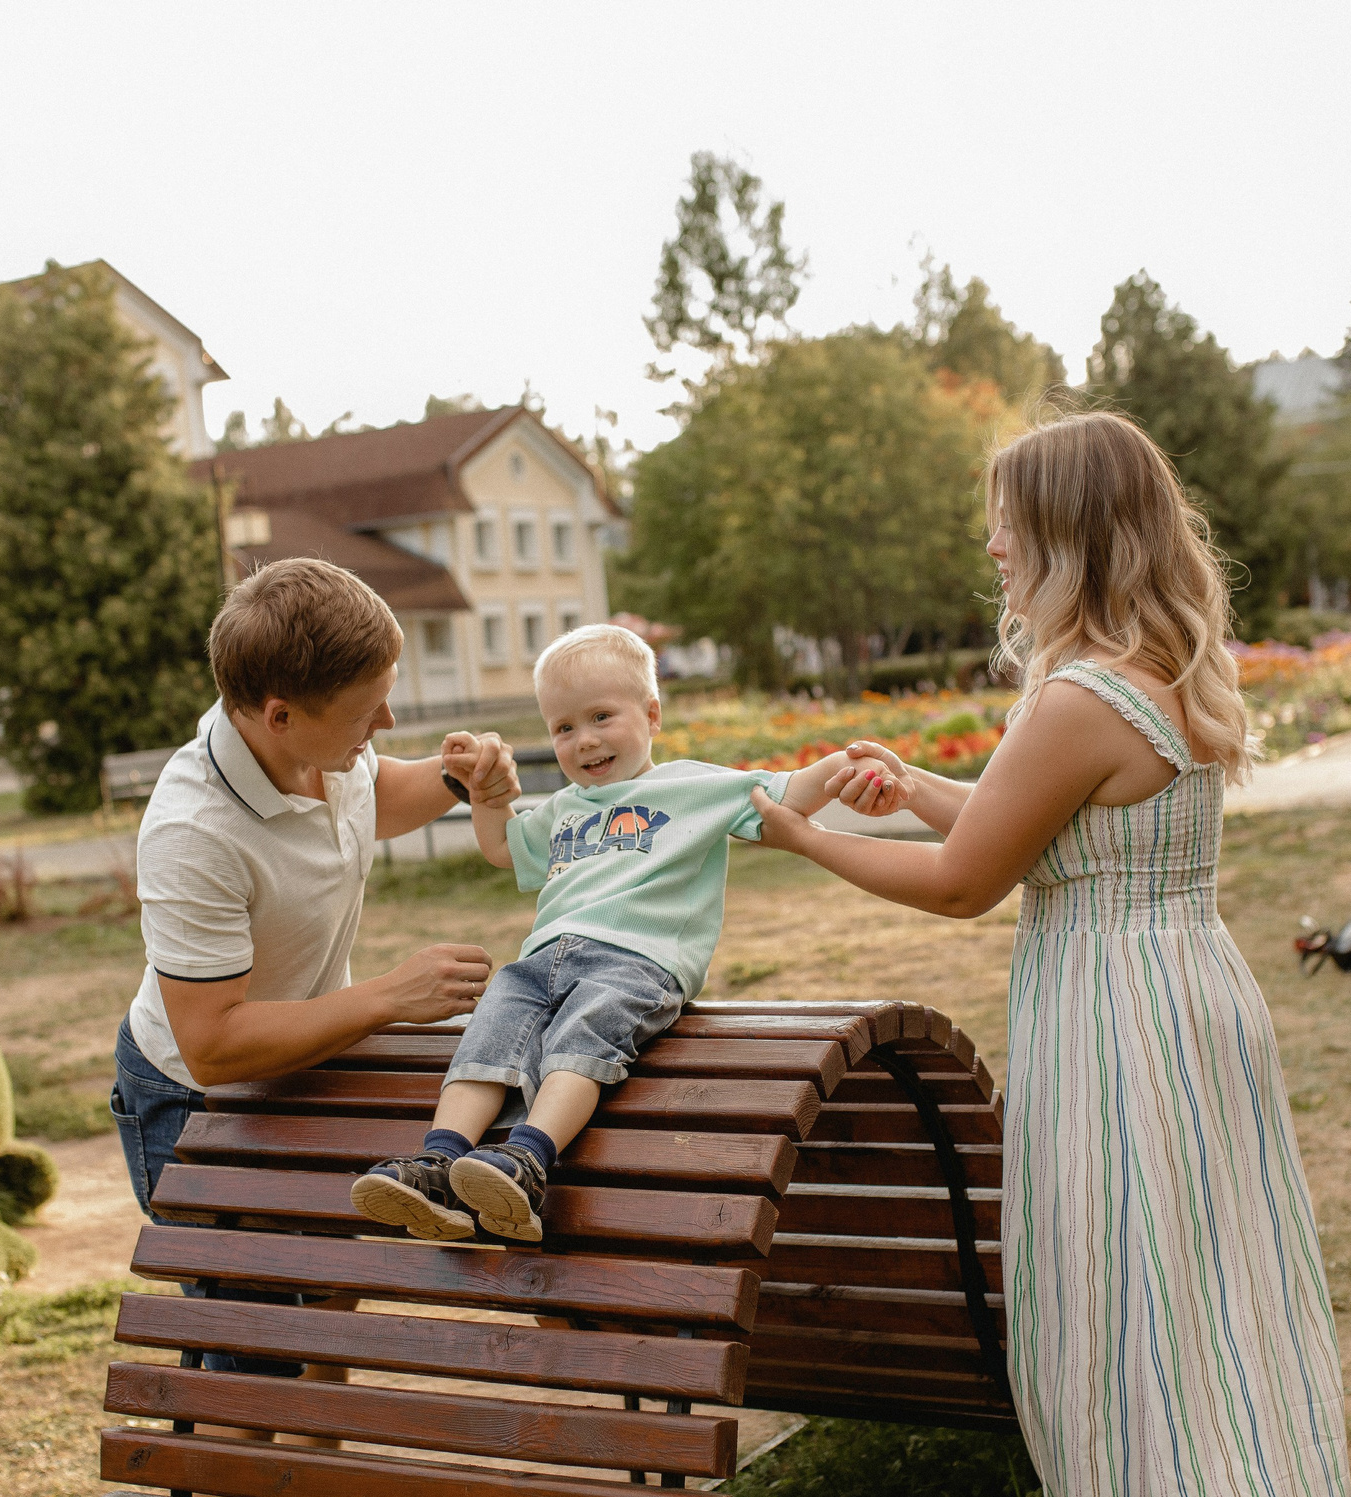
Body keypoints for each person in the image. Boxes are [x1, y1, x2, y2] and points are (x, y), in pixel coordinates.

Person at [751, 412, 1351, 1497]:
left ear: (1071, 530)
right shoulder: (1151, 664)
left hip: (1124, 1024)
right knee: (1130, 1311)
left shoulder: (1085, 693)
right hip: (1165, 998)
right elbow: (1041, 825)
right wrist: (916, 785)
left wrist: (802, 839)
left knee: (1152, 1322)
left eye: (1010, 517)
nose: (993, 540)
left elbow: (972, 881)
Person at [111, 556, 517, 1395]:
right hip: (194, 1100)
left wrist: (455, 776)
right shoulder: (195, 832)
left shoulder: (318, 751)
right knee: (257, 1350)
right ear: (279, 714)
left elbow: (377, 796)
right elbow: (214, 1042)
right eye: (370, 711)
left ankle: (319, 1494)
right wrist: (386, 999)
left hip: (306, 1067)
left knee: (328, 1301)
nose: (390, 719)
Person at [349, 623, 885, 1243]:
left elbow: (782, 793)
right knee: (492, 1028)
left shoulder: (688, 785)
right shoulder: (565, 807)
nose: (584, 740)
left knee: (585, 1031)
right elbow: (502, 847)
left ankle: (527, 1159)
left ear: (652, 714)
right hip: (545, 956)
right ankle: (440, 1163)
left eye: (602, 716)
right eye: (564, 728)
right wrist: (484, 792)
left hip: (637, 960)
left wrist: (848, 764)